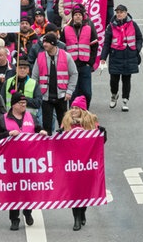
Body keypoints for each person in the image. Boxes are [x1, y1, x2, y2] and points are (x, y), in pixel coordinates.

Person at [0, 92, 47, 230]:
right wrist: (8, 134)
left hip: (29, 161)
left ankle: (28, 212)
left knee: (28, 188)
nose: (24, 105)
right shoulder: (3, 119)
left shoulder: (31, 117)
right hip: (11, 162)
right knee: (13, 191)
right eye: (21, 103)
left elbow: (38, 128)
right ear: (14, 104)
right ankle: (14, 219)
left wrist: (41, 131)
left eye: (25, 103)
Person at [58, 95, 105, 231]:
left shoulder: (91, 123)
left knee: (84, 191)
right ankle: (76, 219)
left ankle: (82, 211)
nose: (73, 110)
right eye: (72, 108)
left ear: (82, 110)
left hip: (86, 164)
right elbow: (61, 144)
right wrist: (60, 135)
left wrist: (102, 133)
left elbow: (99, 144)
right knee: (74, 192)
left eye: (76, 108)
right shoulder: (66, 122)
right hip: (71, 164)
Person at [31, 33, 78, 133]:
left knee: (64, 124)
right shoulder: (39, 57)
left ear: (53, 43)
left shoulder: (66, 56)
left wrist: (69, 91)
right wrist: (37, 93)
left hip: (62, 96)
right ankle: (48, 146)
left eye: (47, 42)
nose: (44, 44)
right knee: (46, 125)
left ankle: (64, 144)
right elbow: (34, 77)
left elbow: (74, 74)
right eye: (44, 42)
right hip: (45, 97)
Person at [100, 4, 143, 111]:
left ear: (126, 13)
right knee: (114, 79)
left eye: (121, 12)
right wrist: (103, 57)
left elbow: (139, 38)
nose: (119, 14)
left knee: (126, 79)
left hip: (129, 55)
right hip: (116, 56)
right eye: (117, 12)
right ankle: (114, 95)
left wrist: (136, 49)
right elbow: (106, 43)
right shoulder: (111, 26)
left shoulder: (133, 24)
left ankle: (125, 100)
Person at [61, 4, 98, 108]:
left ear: (83, 17)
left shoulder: (89, 28)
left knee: (87, 92)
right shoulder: (66, 29)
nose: (77, 16)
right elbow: (62, 47)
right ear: (72, 17)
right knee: (73, 92)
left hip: (84, 65)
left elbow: (95, 46)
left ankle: (85, 111)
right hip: (71, 66)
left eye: (79, 15)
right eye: (75, 15)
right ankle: (73, 113)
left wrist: (90, 63)